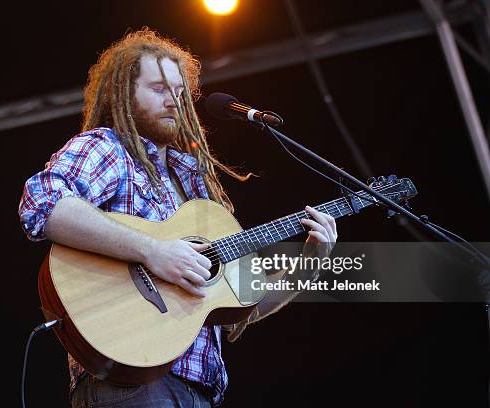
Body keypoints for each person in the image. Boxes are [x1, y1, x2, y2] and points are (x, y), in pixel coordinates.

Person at [19, 28, 337, 408]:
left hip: (198, 389)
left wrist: (309, 265)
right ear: (123, 94)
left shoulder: (195, 185)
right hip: (130, 383)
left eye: (181, 91)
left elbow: (240, 309)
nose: (175, 101)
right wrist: (153, 251)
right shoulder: (109, 150)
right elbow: (42, 203)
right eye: (159, 89)